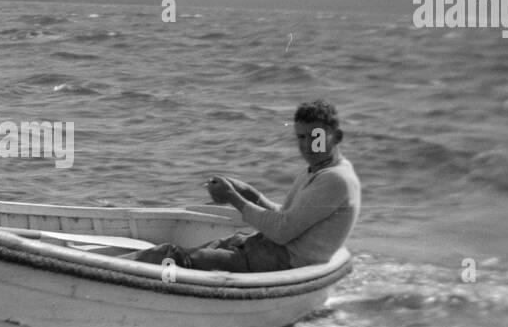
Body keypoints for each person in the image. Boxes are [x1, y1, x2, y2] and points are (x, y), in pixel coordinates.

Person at [132, 100, 361, 272]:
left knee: (176, 259)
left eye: (316, 137)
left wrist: (233, 198)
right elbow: (287, 218)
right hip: (262, 247)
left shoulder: (336, 179)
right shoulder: (315, 170)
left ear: (337, 136)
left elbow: (282, 231)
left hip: (281, 261)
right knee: (175, 252)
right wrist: (251, 195)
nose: (308, 145)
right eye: (301, 137)